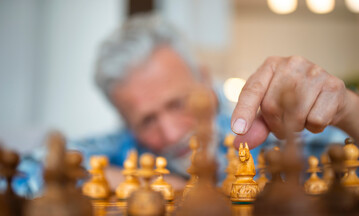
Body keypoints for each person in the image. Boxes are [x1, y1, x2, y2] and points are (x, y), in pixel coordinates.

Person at [14, 14, 358, 197]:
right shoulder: (119, 150)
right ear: (125, 122)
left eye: (178, 103)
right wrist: (173, 188)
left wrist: (349, 110)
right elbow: (22, 172)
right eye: (146, 119)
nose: (171, 131)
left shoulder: (270, 131)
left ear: (205, 80)